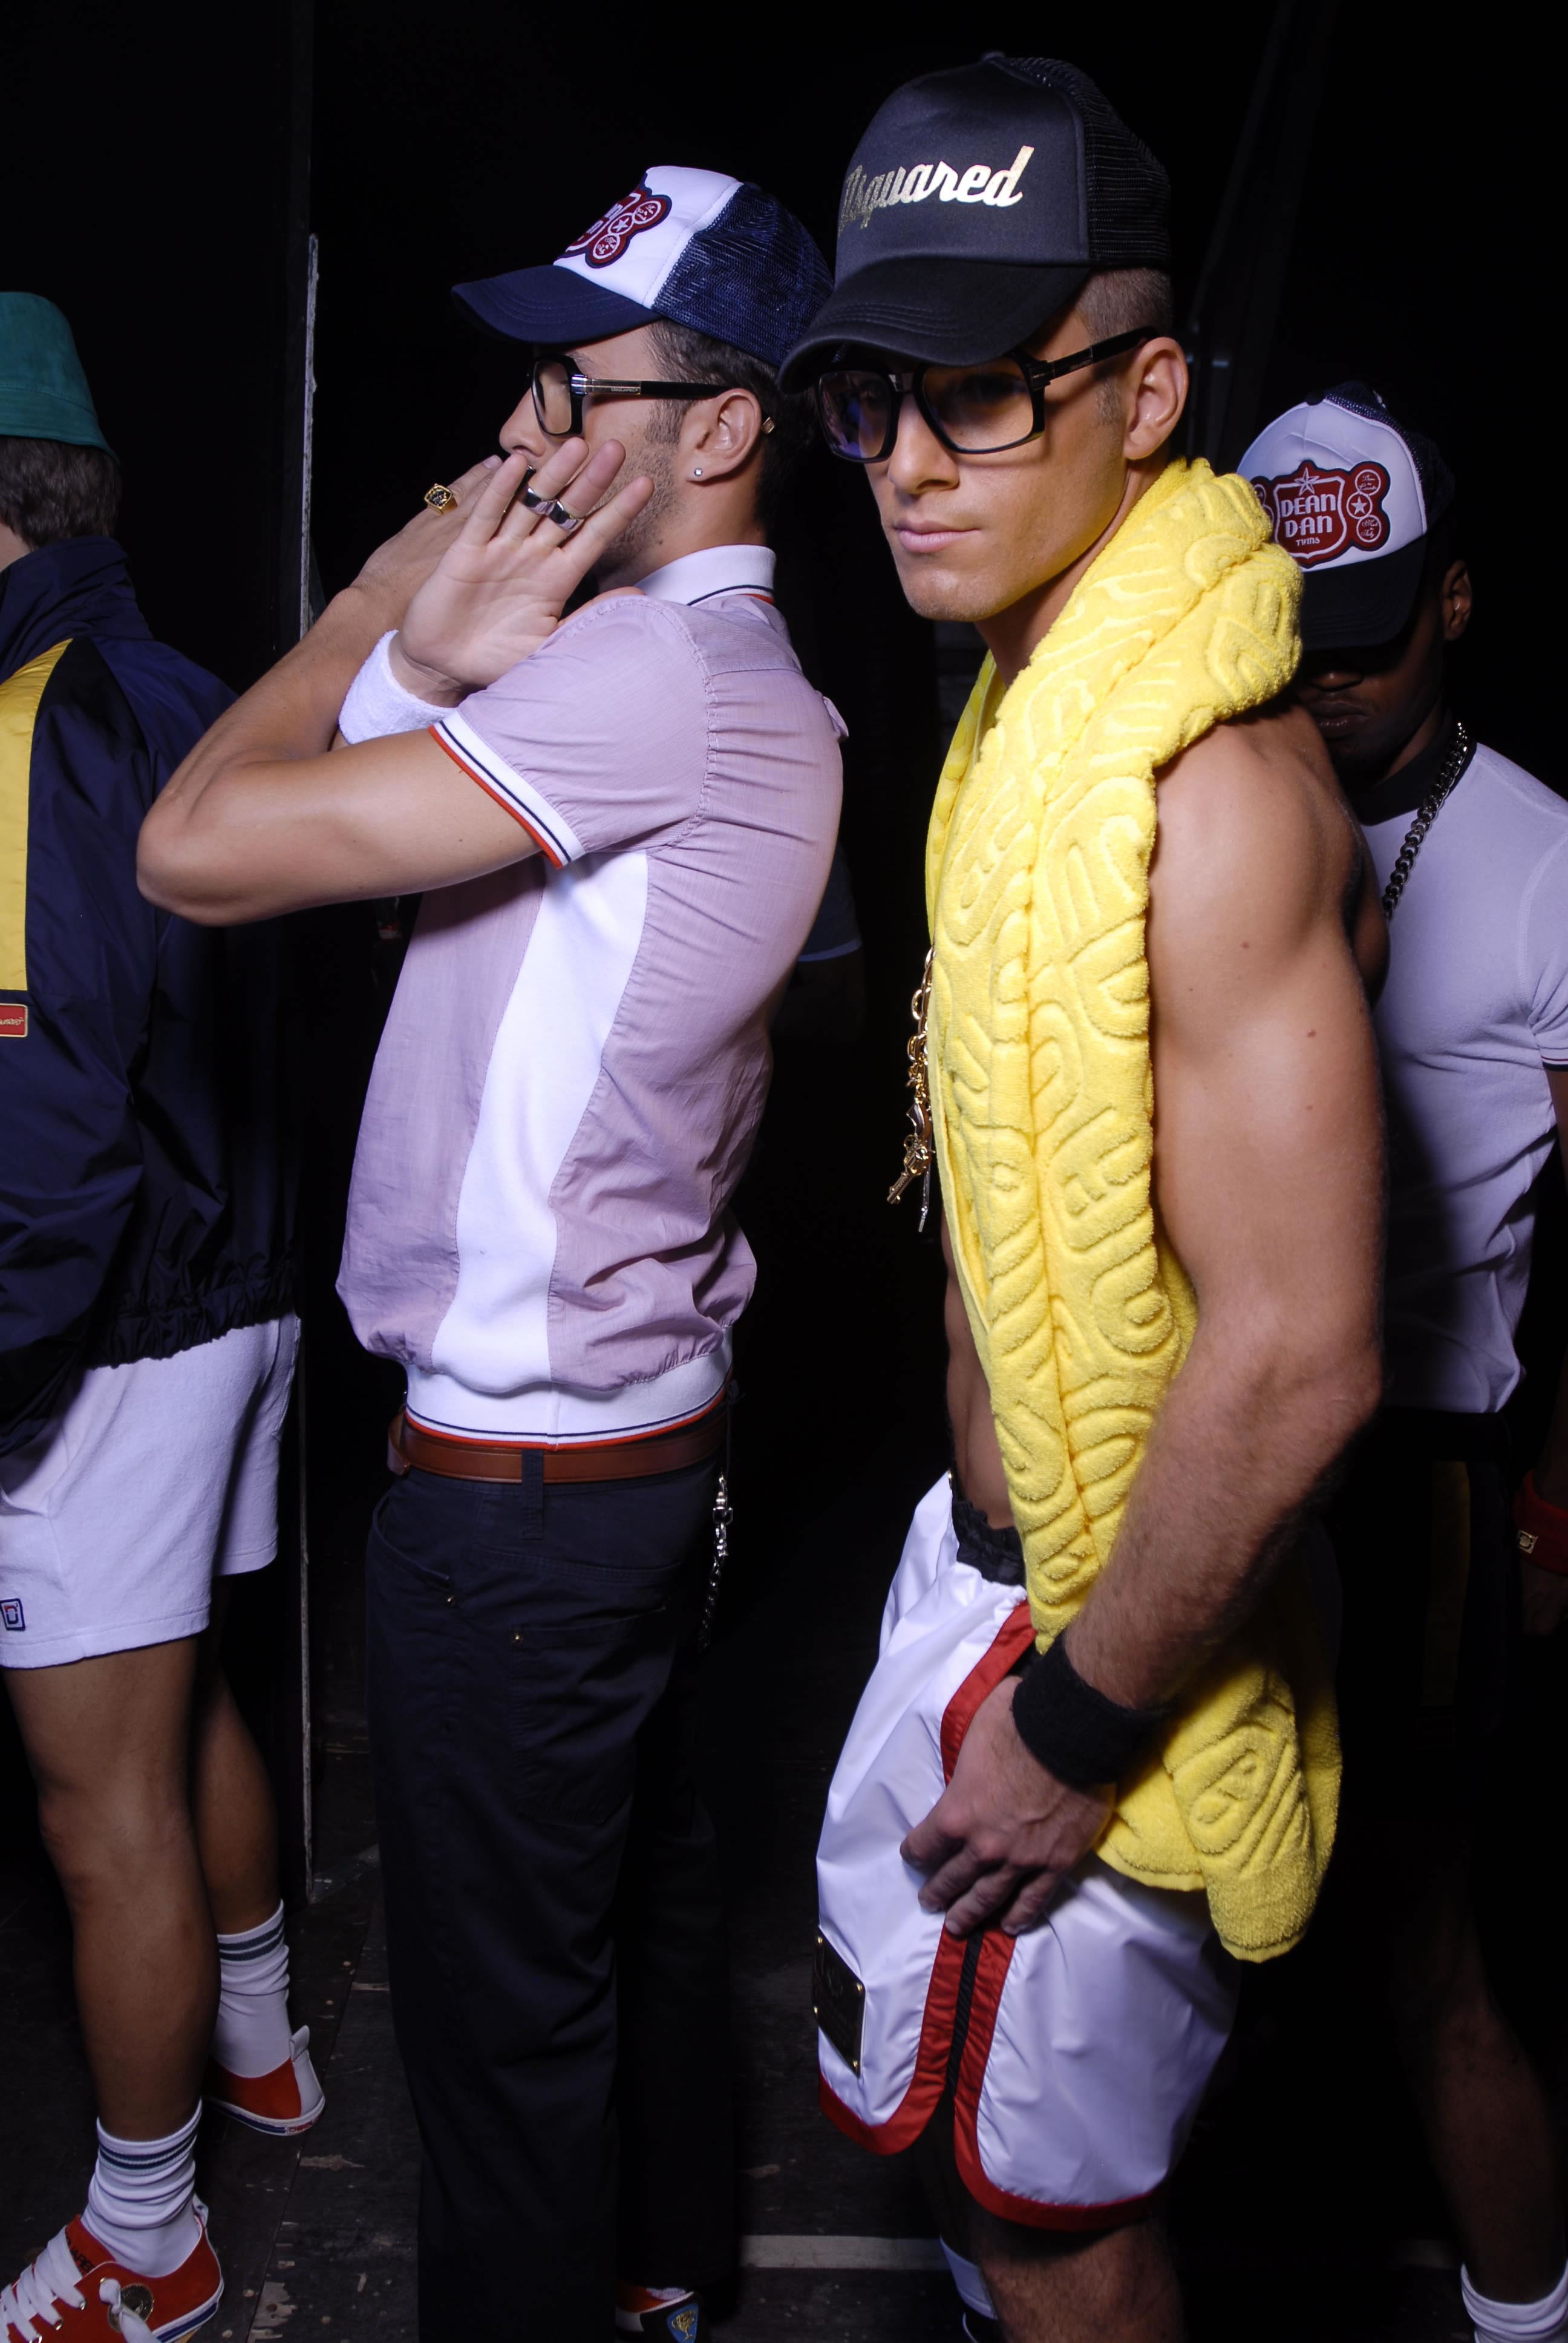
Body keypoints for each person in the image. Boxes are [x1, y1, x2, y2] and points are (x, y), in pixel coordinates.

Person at [136, 168, 841, 2341]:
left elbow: (193, 846)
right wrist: (430, 667)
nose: (522, 436)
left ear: (721, 428)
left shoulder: (648, 668)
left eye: (575, 387)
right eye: (527, 383)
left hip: (521, 1507)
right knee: (635, 1919)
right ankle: (664, 2279)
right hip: (637, 1457)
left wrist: (376, 591)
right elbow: (379, 832)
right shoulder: (718, 674)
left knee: (499, 2050)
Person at [779, 59, 1385, 2343]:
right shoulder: (1023, 719)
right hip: (984, 1574)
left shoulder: (1209, 801)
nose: (909, 467)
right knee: (963, 2181)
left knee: (1062, 2235)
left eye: (981, 395)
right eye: (871, 401)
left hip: (1107, 1653)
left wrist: (1080, 1729)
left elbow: (1304, 1350)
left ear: (1145, 397)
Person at [0, 296, 314, 2343]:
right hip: (228, 1292)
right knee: (176, 1698)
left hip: (103, 1325)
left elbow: (42, 1132)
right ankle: (268, 2050)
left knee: (91, 1804)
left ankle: (150, 2241)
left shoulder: (33, 722)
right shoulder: (179, 677)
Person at [1242, 384, 1568, 2343]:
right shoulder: (1211, 816)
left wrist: (1555, 1500)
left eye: (1369, 634)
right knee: (1195, 1936)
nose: (1333, 679)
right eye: (1301, 639)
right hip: (1230, 1452)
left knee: (1424, 1945)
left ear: (1452, 600)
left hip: (1433, 1474)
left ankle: (1527, 2312)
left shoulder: (1540, 854)